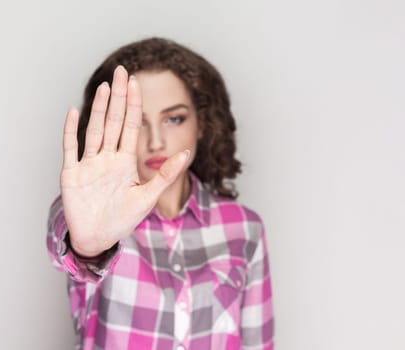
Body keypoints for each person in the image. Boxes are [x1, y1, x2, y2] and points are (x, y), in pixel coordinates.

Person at [46, 37, 274, 350]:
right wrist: (87, 248)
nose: (156, 141)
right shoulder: (95, 213)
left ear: (203, 124)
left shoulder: (244, 228)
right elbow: (70, 239)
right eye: (136, 122)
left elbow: (258, 343)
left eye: (174, 118)